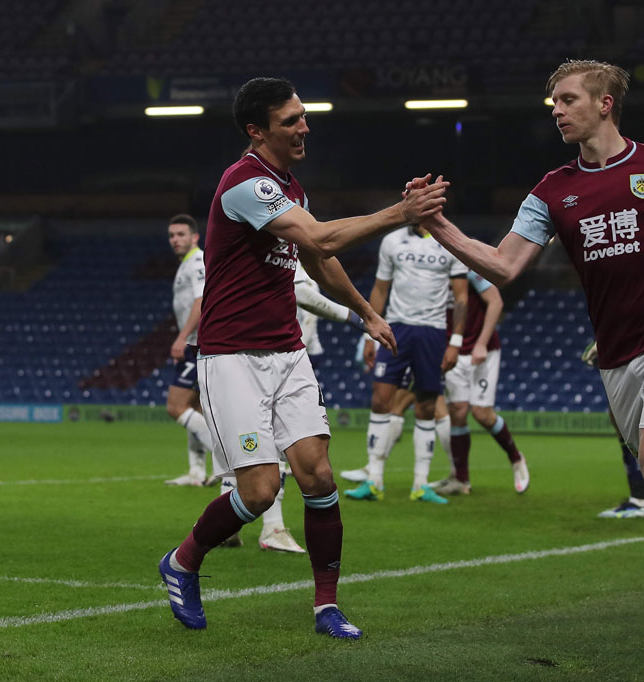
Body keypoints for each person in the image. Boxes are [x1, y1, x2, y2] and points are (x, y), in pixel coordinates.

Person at [412, 59, 644, 664]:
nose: (556, 110)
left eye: (568, 99)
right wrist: (438, 224)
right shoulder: (551, 191)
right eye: (553, 101)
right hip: (616, 352)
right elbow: (504, 266)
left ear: (604, 104)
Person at [156, 76, 448, 638]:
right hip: (232, 356)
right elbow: (321, 240)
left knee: (318, 475)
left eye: (303, 116)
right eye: (290, 120)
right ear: (256, 131)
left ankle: (326, 607)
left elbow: (318, 262)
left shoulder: (292, 189)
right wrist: (400, 211)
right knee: (259, 490)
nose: (304, 127)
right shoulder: (244, 183)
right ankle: (182, 562)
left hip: (288, 352)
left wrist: (366, 312)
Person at [219, 260, 372, 554]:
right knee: (275, 445)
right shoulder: (284, 248)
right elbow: (301, 294)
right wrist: (355, 316)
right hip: (270, 357)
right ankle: (272, 528)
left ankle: (229, 525)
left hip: (283, 354)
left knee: (249, 442)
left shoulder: (289, 253)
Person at [342, 223, 469, 504]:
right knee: (380, 399)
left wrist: (456, 342)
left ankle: (421, 485)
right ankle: (374, 480)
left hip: (433, 332)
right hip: (396, 328)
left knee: (426, 406)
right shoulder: (392, 241)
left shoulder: (451, 240)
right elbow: (380, 288)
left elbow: (461, 296)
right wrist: (368, 335)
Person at [433, 270, 530, 496]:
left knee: (482, 414)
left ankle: (516, 458)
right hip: (453, 351)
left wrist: (482, 343)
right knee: (457, 412)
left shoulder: (467, 267)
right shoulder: (432, 269)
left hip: (482, 350)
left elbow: (496, 302)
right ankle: (461, 480)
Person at [162, 214, 216, 487]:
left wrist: (182, 337)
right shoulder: (188, 263)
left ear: (195, 237)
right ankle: (196, 472)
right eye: (172, 235)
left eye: (181, 234)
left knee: (176, 406)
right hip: (196, 344)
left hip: (197, 344)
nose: (175, 239)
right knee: (195, 407)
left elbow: (202, 299)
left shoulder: (196, 262)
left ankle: (226, 459)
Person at [581, 341, 644, 518]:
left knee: (631, 421)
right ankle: (639, 496)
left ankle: (642, 500)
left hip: (641, 348)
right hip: (628, 348)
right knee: (619, 418)